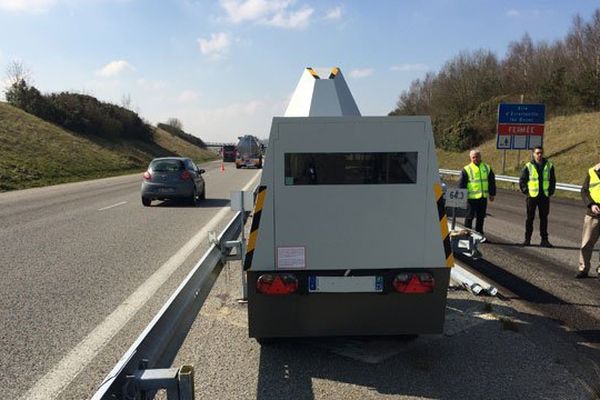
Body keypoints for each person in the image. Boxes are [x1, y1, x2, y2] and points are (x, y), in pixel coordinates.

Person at [519, 146, 556, 247]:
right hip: (532, 196)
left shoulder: (549, 165)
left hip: (544, 196)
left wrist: (550, 191)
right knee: (530, 218)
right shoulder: (528, 166)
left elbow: (552, 180)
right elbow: (522, 180)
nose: (539, 155)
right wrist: (527, 191)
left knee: (544, 218)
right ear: (533, 154)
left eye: (541, 153)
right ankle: (527, 239)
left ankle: (544, 240)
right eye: (537, 153)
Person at [459, 149, 496, 236]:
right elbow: (461, 185)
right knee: (469, 217)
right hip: (470, 199)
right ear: (470, 158)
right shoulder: (466, 169)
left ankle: (480, 235)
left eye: (477, 156)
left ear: (480, 156)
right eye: (473, 157)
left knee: (481, 218)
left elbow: (491, 182)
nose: (476, 158)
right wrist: (461, 198)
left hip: (482, 197)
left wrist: (492, 194)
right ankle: (466, 235)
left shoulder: (487, 167)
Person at [575, 163, 600, 278]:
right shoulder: (591, 172)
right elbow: (584, 191)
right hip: (593, 213)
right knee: (586, 243)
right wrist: (591, 205)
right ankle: (583, 268)